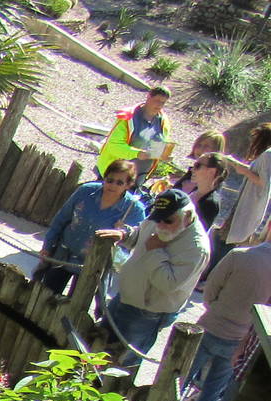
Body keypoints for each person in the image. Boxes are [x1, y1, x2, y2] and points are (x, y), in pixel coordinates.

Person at [100, 188, 211, 369]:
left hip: (147, 313)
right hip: (125, 297)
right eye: (158, 219)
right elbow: (140, 235)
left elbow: (168, 283)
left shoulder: (197, 248)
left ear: (188, 215)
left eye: (168, 221)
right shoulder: (161, 220)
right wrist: (124, 235)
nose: (161, 225)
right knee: (95, 345)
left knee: (120, 365)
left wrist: (155, 252)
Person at [184, 223, 271, 401]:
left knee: (181, 377)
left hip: (210, 325)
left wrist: (217, 307)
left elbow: (211, 287)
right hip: (239, 337)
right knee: (212, 392)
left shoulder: (238, 255)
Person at [37, 159, 146, 295]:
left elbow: (136, 240)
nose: (112, 185)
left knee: (74, 306)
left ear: (128, 185)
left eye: (119, 182)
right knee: (45, 295)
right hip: (64, 253)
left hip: (95, 266)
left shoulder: (134, 210)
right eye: (110, 180)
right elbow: (61, 219)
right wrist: (47, 246)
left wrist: (122, 234)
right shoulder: (86, 191)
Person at [209, 122, 271, 274]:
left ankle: (211, 276)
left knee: (225, 241)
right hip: (246, 205)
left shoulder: (268, 155)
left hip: (249, 207)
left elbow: (264, 182)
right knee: (224, 238)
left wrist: (243, 171)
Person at [96, 86, 173, 181]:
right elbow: (113, 146)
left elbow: (158, 149)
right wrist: (137, 154)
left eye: (163, 102)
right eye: (157, 100)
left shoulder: (163, 122)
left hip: (137, 178)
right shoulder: (128, 117)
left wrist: (163, 154)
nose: (159, 105)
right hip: (113, 175)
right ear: (148, 97)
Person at [175, 152, 227, 230]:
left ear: (211, 172)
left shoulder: (210, 203)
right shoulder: (193, 191)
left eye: (197, 166)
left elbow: (197, 232)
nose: (192, 169)